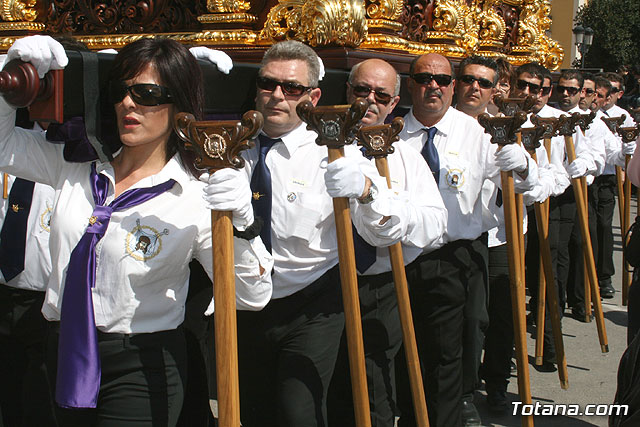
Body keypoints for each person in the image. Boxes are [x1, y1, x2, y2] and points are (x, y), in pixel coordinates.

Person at [0, 35, 273, 426]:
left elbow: (251, 295)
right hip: (63, 350)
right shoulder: (75, 165)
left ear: (177, 104)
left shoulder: (195, 195)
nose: (129, 103)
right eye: (121, 91)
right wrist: (7, 69)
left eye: (147, 93)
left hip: (143, 363)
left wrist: (243, 224)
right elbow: (3, 143)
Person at [232, 40, 411, 427]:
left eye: (292, 88)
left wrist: (366, 188)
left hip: (311, 302)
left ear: (312, 96)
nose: (277, 95)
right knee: (253, 412)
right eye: (268, 83)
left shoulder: (334, 151)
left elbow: (387, 230)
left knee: (300, 412)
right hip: (244, 299)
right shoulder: (229, 144)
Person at [395, 53, 538, 427]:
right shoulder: (391, 135)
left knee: (449, 350)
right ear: (410, 83)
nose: (434, 86)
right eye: (424, 78)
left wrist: (521, 163)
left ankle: (451, 412)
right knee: (403, 350)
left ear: (452, 86)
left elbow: (525, 185)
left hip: (455, 253)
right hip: (400, 256)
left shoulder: (477, 131)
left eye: (442, 80)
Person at [328, 58, 447, 427]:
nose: (369, 101)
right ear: (347, 93)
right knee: (323, 390)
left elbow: (437, 224)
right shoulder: (316, 147)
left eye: (381, 94)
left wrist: (393, 209)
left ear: (394, 103)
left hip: (380, 289)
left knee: (374, 389)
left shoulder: (406, 156)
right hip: (322, 285)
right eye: (361, 90)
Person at [552, 69, 605, 323]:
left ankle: (581, 300)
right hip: (550, 192)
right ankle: (555, 304)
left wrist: (585, 166)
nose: (565, 94)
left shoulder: (592, 121)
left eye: (571, 90)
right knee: (557, 251)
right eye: (561, 88)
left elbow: (599, 156)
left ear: (582, 92)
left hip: (578, 191)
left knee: (581, 244)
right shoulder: (550, 117)